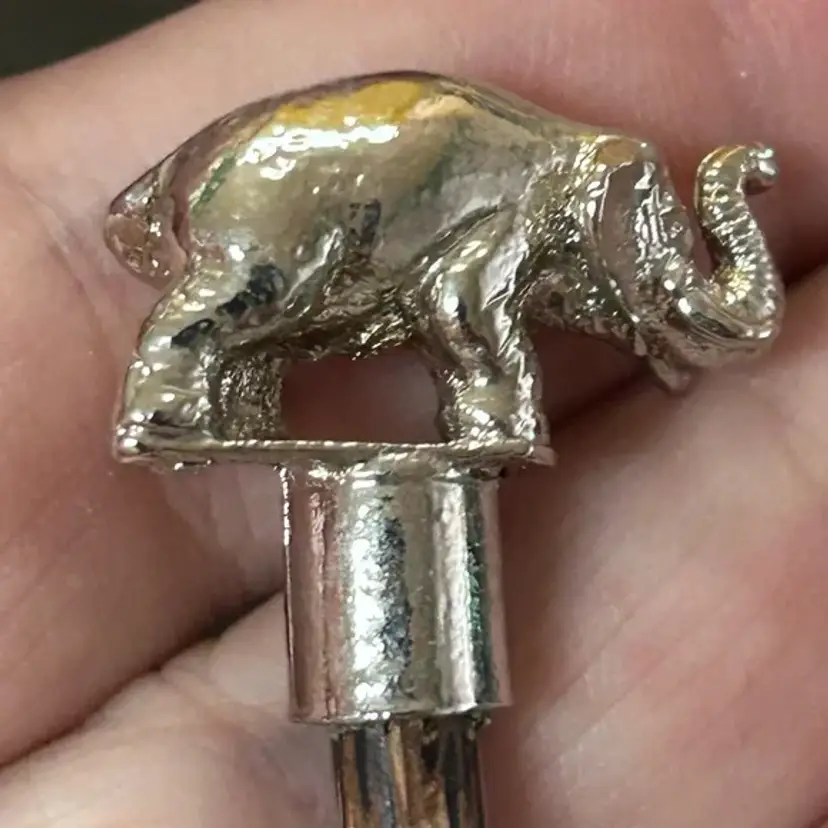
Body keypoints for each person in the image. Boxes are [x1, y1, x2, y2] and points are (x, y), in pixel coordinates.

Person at [0, 0, 826, 824]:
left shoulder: (538, 181)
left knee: (268, 306)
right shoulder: (538, 194)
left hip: (322, 192)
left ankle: (221, 390)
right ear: (604, 213)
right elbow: (461, 302)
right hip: (291, 189)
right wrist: (499, 407)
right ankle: (171, 382)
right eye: (655, 243)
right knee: (252, 292)